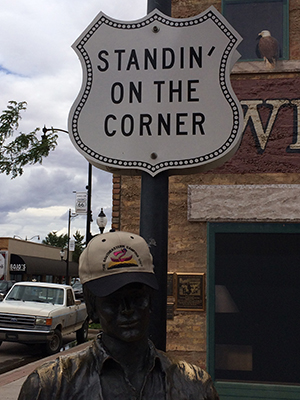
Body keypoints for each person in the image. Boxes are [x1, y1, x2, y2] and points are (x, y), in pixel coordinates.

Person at [18, 231, 219, 400]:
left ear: (150, 300)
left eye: (137, 296)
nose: (127, 309)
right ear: (92, 307)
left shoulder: (194, 385)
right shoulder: (50, 386)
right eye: (113, 299)